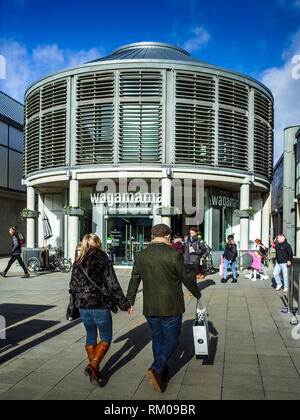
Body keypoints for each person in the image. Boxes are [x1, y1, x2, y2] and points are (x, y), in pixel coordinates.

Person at [126, 224, 201, 393]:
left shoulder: (141, 255)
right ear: (167, 237)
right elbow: (187, 277)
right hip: (171, 305)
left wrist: (129, 301)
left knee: (157, 338)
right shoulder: (174, 255)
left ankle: (161, 374)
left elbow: (134, 279)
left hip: (150, 305)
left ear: (153, 236)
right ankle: (156, 367)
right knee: (173, 340)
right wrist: (196, 292)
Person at [70, 233, 132, 385]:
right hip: (100, 305)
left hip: (83, 306)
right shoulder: (102, 258)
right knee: (105, 337)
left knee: (90, 335)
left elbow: (72, 287)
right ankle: (93, 366)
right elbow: (113, 284)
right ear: (98, 243)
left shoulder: (78, 261)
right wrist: (124, 304)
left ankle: (94, 370)